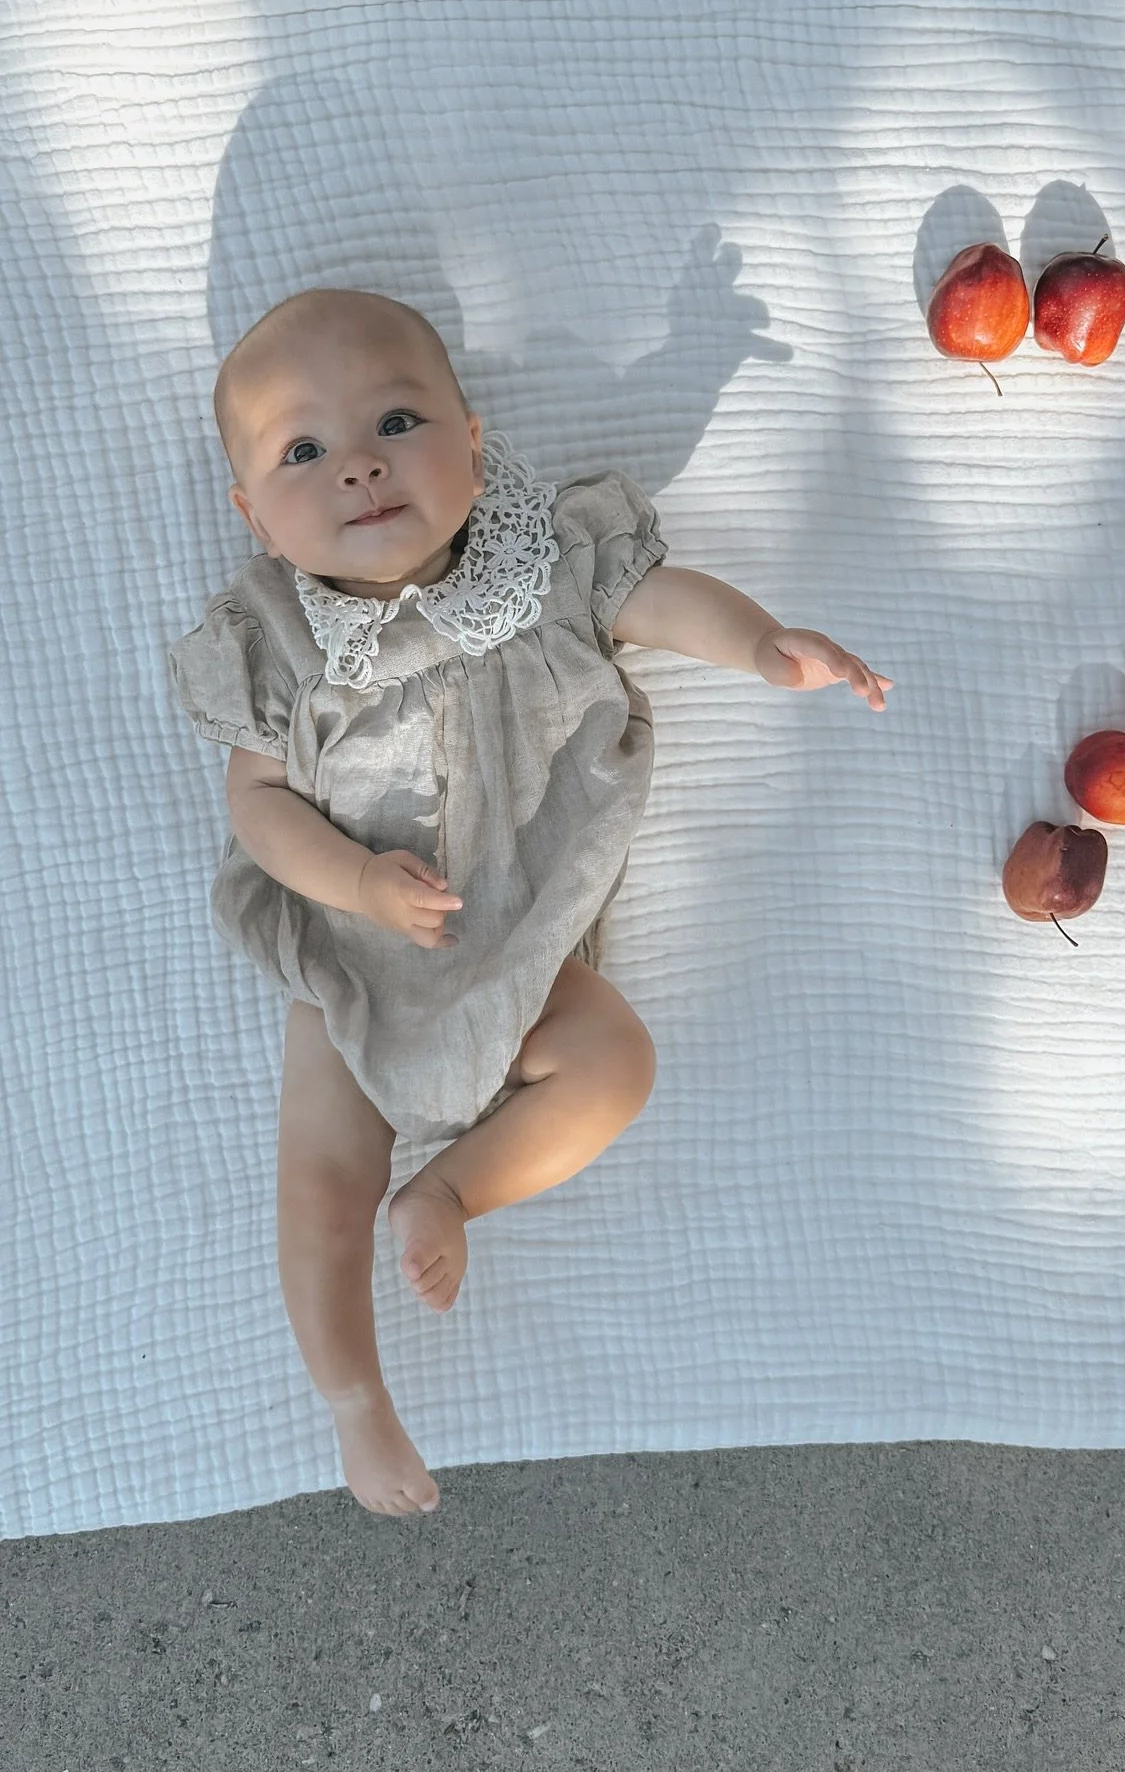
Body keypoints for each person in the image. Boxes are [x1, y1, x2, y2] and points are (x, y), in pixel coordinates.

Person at [167, 287, 894, 1517]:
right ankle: (354, 1400)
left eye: (397, 421)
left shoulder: (543, 561)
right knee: (321, 1181)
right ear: (250, 512)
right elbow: (259, 808)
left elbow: (658, 602)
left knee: (615, 1061)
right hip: (352, 958)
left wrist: (767, 645)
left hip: (523, 954)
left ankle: (456, 1187)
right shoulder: (275, 642)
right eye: (302, 452)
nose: (357, 467)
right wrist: (351, 879)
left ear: (474, 439)